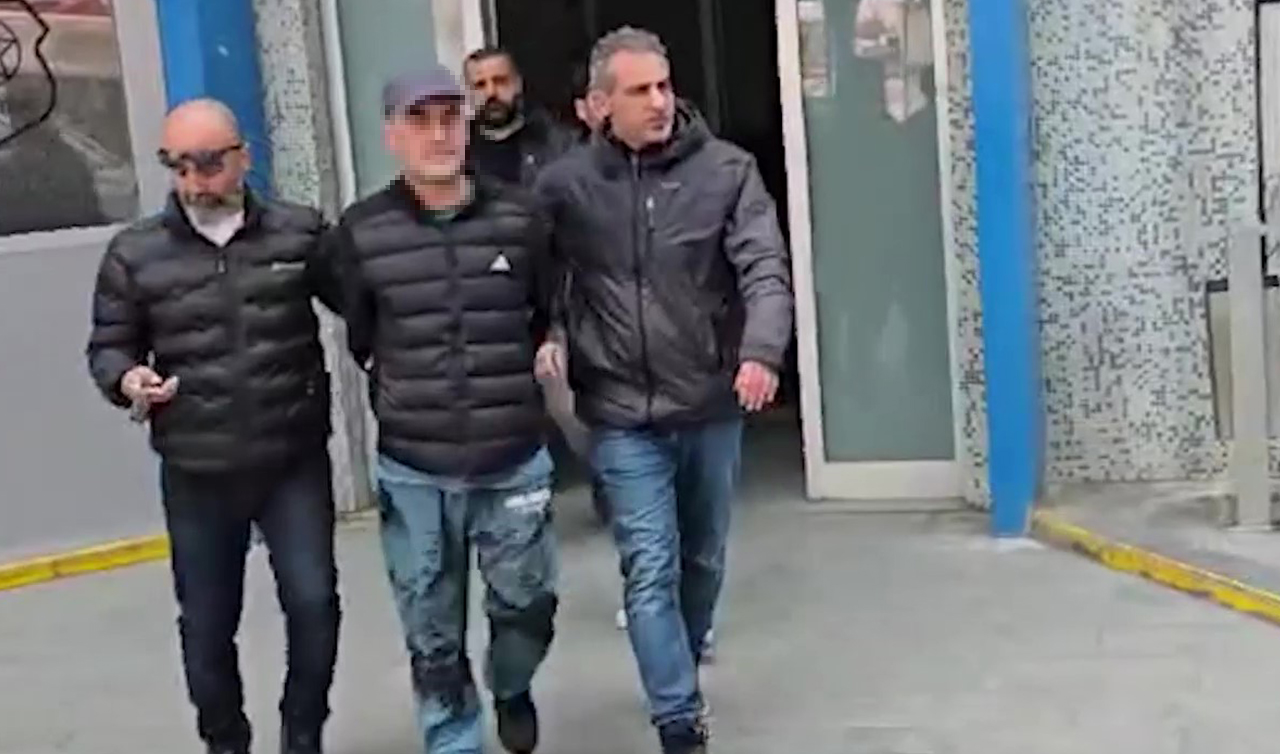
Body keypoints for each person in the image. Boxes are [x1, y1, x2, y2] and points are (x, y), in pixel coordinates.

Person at [534, 28, 794, 754]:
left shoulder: (727, 172)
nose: (659, 102)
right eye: (639, 91)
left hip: (709, 400)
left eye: (664, 86)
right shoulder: (563, 187)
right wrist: (547, 333)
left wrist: (761, 352)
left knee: (701, 558)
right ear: (598, 106)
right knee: (649, 563)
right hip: (619, 409)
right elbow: (532, 276)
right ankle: (678, 719)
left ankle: (687, 642)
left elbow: (764, 268)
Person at [85, 99, 342, 754]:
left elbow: (368, 303)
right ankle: (226, 741)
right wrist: (128, 379)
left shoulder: (299, 233)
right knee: (206, 626)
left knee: (314, 605)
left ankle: (302, 733)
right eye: (178, 166)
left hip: (290, 460)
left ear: (243, 157)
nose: (195, 181)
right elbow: (109, 346)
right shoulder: (136, 254)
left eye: (207, 163)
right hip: (197, 467)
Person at [332, 65, 558, 754]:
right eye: (419, 121)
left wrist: (552, 343)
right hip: (415, 466)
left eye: (448, 119)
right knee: (430, 630)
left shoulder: (521, 218)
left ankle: (511, 684)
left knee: (528, 608)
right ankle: (454, 740)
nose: (437, 135)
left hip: (512, 456)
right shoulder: (360, 232)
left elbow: (549, 307)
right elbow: (362, 332)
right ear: (391, 135)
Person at [462, 46, 575, 188]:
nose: (491, 92)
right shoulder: (457, 149)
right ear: (468, 92)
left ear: (518, 84)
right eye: (480, 85)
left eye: (500, 81)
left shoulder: (558, 143)